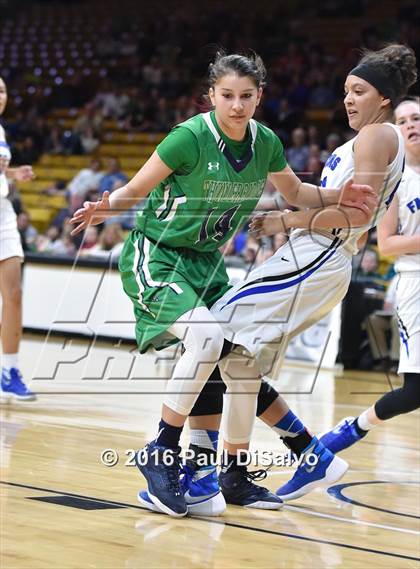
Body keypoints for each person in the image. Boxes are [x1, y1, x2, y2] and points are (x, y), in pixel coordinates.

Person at [70, 51, 374, 518]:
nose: (237, 105)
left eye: (246, 96)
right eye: (227, 95)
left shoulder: (266, 141)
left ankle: (204, 472)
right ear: (211, 95)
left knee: (235, 355)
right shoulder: (189, 137)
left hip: (207, 264)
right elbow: (136, 189)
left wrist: (339, 194)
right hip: (160, 255)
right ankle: (161, 451)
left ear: (259, 98)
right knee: (210, 339)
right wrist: (102, 209)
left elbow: (295, 194)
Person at [136, 44, 415, 516]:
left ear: (384, 98)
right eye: (346, 90)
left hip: (319, 255)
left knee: (211, 335)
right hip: (321, 258)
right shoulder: (376, 137)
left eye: (359, 91)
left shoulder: (375, 137)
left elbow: (357, 214)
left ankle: (176, 456)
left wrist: (286, 222)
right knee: (239, 361)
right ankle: (244, 470)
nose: (348, 99)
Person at [318, 96, 420, 453]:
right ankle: (351, 429)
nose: (411, 125)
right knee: (415, 391)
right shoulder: (397, 179)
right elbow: (387, 245)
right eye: (404, 120)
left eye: (417, 118)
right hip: (414, 283)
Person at [0, 77, 36, 401]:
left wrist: (14, 173)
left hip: (3, 214)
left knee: (14, 293)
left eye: (2, 90)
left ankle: (8, 370)